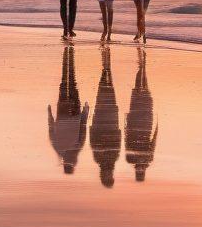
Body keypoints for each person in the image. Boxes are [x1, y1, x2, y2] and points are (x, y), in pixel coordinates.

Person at [47, 45, 89, 174]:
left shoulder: (76, 148)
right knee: (65, 83)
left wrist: (85, 111)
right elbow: (51, 129)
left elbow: (83, 127)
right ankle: (68, 58)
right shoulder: (59, 148)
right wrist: (49, 114)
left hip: (73, 112)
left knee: (72, 84)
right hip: (63, 111)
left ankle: (69, 57)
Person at [125, 47, 158, 182]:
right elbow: (127, 138)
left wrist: (156, 126)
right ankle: (141, 68)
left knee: (144, 90)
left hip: (145, 120)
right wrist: (126, 121)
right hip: (136, 119)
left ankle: (142, 68)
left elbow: (154, 140)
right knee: (139, 90)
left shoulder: (146, 158)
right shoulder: (131, 159)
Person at [89, 46, 121, 187]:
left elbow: (93, 140)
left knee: (103, 92)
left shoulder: (99, 158)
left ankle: (105, 71)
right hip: (110, 121)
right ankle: (106, 70)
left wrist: (92, 126)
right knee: (109, 91)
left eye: (108, 177)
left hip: (102, 120)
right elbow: (118, 141)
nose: (110, 174)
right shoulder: (112, 158)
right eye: (110, 176)